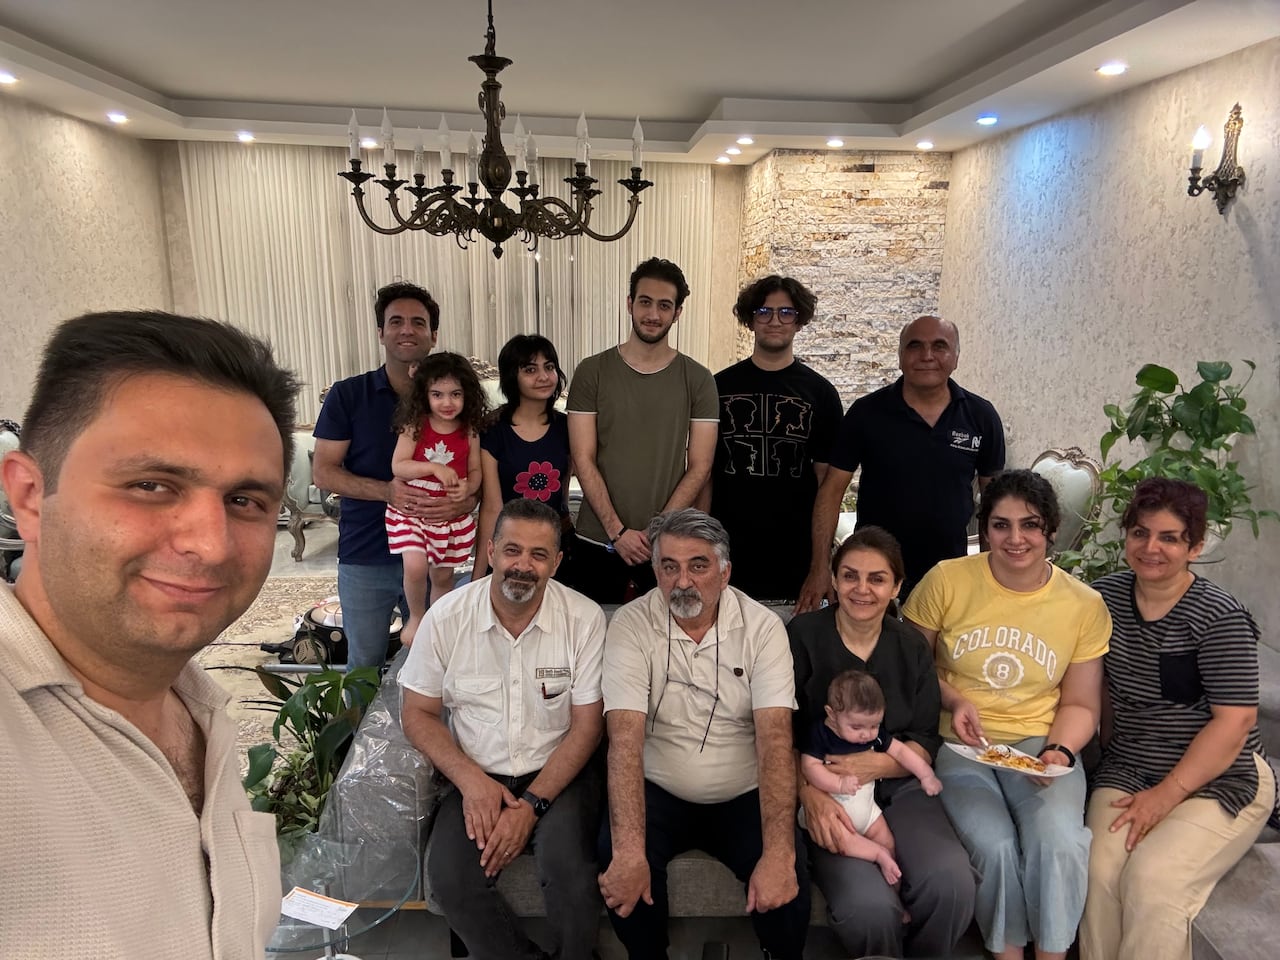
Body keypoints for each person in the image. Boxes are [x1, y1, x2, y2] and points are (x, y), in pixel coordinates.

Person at [0, 311, 298, 959]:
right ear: (29, 495)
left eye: (245, 501)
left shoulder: (201, 710)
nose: (211, 545)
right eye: (152, 486)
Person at [903, 469, 1112, 960]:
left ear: (1052, 530)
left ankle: (1053, 953)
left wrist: (1060, 751)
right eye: (1001, 525)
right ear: (985, 529)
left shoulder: (1083, 605)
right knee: (993, 844)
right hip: (960, 743)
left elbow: (1081, 702)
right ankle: (1008, 953)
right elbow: (910, 667)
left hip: (1041, 742)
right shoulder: (947, 580)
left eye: (1030, 525)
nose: (1015, 538)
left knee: (1059, 841)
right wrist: (955, 700)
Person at [1080, 478, 1278, 960]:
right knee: (1096, 873)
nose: (1151, 548)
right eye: (1140, 533)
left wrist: (1165, 796)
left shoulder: (1219, 617)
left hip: (1222, 779)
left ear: (1195, 547)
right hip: (1129, 768)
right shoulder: (1101, 599)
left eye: (1169, 537)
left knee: (1153, 881)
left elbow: (1234, 724)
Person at [597, 508, 808, 960]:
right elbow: (625, 740)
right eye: (669, 567)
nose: (683, 581)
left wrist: (779, 854)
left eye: (698, 566)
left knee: (789, 880)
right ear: (655, 571)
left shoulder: (762, 627)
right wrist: (629, 852)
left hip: (742, 792)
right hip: (659, 788)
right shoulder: (631, 625)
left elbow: (775, 739)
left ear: (725, 572)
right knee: (620, 863)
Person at [400, 498, 605, 960]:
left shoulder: (584, 619)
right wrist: (471, 782)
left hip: (559, 773)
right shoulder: (447, 617)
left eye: (538, 555)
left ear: (557, 562)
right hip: (476, 771)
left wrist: (531, 806)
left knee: (570, 874)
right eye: (512, 550)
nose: (523, 566)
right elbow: (418, 713)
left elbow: (587, 727)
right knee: (451, 880)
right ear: (491, 552)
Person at [788, 526, 976, 957]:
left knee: (950, 883)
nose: (862, 589)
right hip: (831, 794)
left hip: (901, 789)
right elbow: (780, 732)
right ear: (833, 580)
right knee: (868, 910)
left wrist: (879, 765)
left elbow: (926, 736)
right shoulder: (803, 636)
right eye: (850, 576)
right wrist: (808, 794)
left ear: (896, 587)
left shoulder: (910, 645)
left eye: (877, 579)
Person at [313, 281, 476, 669]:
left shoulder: (457, 404)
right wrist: (388, 492)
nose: (407, 330)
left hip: (438, 548)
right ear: (380, 332)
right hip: (366, 553)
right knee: (364, 663)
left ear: (433, 335)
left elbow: (476, 468)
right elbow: (323, 472)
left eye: (418, 322)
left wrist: (466, 499)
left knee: (439, 660)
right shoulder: (348, 395)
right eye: (396, 321)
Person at [797, 314, 1005, 612]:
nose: (927, 355)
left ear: (956, 357)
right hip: (873, 573)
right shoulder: (866, 414)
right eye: (914, 345)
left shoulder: (981, 417)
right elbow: (831, 492)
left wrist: (991, 575)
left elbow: (995, 505)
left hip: (947, 573)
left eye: (940, 346)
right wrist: (820, 567)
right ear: (900, 356)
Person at [567, 258, 719, 604]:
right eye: (645, 302)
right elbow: (582, 457)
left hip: (667, 545)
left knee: (666, 634)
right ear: (629, 304)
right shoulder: (592, 371)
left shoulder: (698, 379)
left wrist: (657, 531)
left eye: (664, 305)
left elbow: (700, 466)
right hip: (597, 539)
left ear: (677, 312)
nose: (653, 314)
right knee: (594, 633)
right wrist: (616, 531)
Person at [704, 275, 843, 603]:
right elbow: (704, 473)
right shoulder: (717, 388)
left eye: (786, 312)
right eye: (764, 312)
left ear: (799, 321)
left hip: (794, 554)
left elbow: (828, 487)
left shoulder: (821, 394)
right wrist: (701, 547)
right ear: (751, 320)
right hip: (728, 549)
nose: (775, 321)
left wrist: (821, 564)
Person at [799, 668, 942, 888]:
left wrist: (926, 774)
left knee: (888, 840)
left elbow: (901, 751)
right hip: (832, 810)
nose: (866, 734)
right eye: (856, 727)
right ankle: (877, 854)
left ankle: (894, 888)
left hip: (867, 811)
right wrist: (838, 783)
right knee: (842, 840)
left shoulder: (873, 734)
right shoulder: (821, 734)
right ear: (832, 714)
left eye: (874, 725)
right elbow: (809, 766)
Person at [387, 352, 487, 643]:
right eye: (437, 394)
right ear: (424, 395)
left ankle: (438, 623)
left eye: (455, 394)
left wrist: (468, 488)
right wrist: (433, 468)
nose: (447, 402)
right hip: (414, 511)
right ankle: (417, 618)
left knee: (443, 577)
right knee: (415, 566)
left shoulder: (470, 431)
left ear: (467, 395)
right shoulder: (415, 426)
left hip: (450, 515)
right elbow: (398, 466)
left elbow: (475, 471)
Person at [476, 334, 573, 580]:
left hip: (557, 545)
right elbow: (492, 508)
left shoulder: (568, 427)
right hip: (511, 549)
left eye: (549, 367)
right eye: (530, 369)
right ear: (512, 376)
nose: (543, 376)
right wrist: (478, 576)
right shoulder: (492, 431)